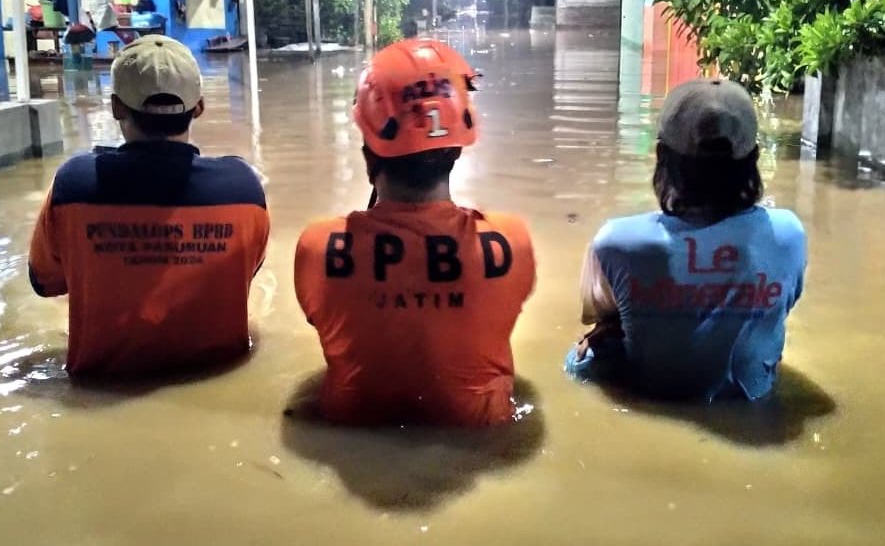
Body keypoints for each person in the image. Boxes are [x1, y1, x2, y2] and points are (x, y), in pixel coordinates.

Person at [294, 39, 537, 427]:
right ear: (456, 148)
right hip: (480, 434)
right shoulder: (510, 242)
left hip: (354, 430)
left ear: (367, 148)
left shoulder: (319, 246)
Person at [28, 35, 270, 378]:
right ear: (198, 107)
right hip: (215, 382)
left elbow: (44, 283)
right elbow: (244, 273)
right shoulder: (244, 190)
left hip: (101, 391)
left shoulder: (74, 185)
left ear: (116, 107)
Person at [565, 78, 807, 401]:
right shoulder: (788, 234)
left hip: (654, 392)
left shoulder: (617, 242)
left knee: (583, 358)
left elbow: (601, 315)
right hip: (750, 401)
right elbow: (783, 305)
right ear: (754, 158)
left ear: (661, 155)